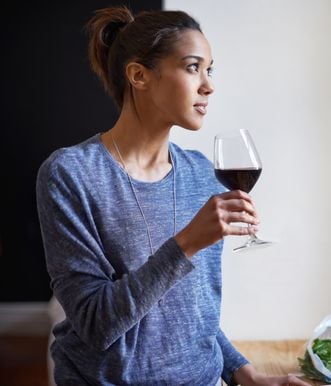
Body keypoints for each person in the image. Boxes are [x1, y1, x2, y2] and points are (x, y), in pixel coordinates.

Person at [36, 6, 310, 386]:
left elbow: (193, 313)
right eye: (193, 67)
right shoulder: (71, 174)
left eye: (209, 70)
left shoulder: (201, 173)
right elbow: (95, 323)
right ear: (139, 75)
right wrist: (185, 244)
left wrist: (246, 375)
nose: (208, 85)